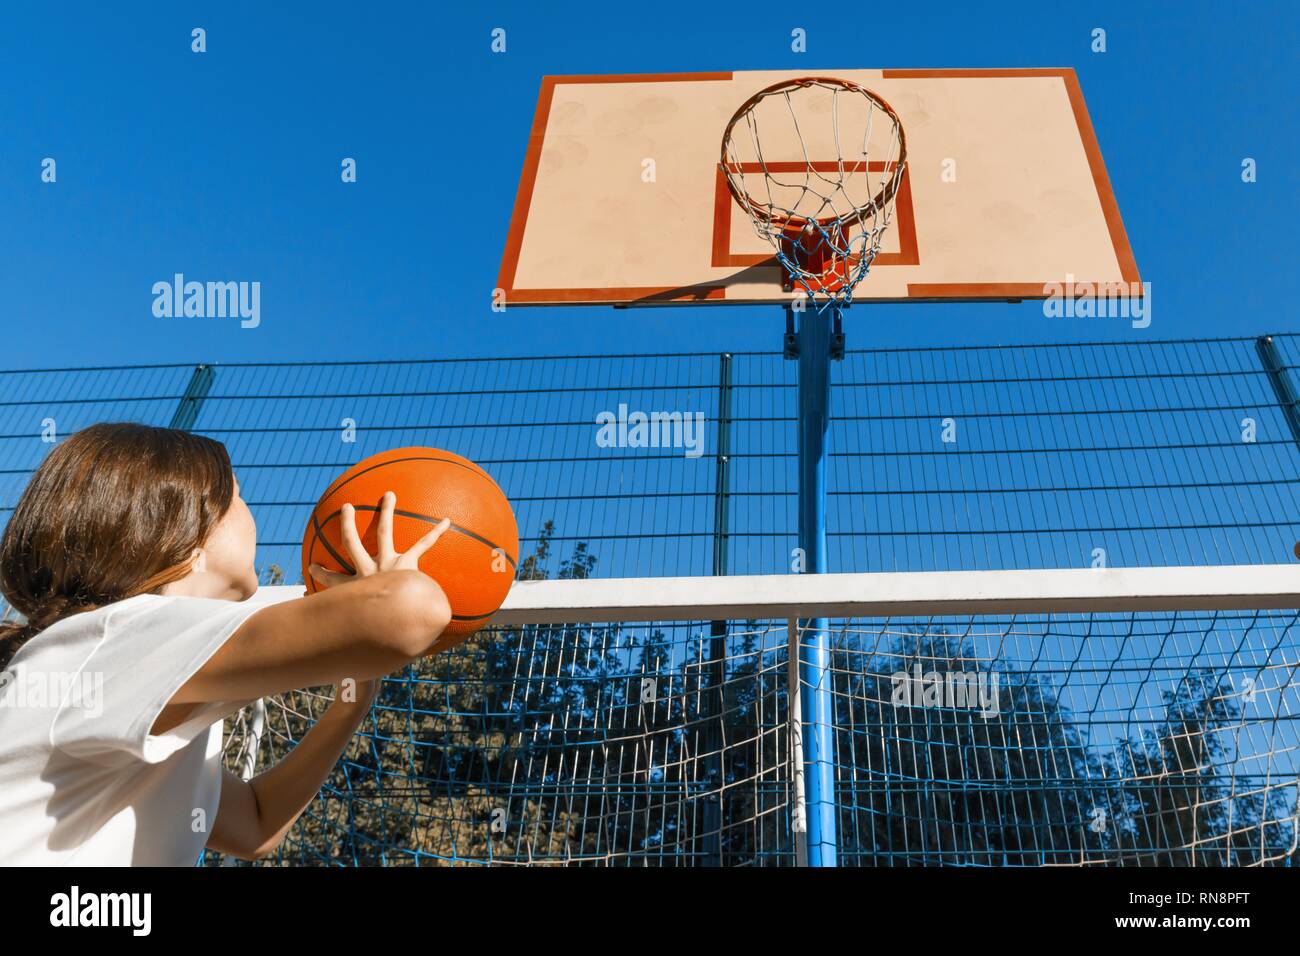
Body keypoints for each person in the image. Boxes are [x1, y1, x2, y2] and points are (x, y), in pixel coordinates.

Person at [0, 422, 451, 865]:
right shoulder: (120, 636)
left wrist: (350, 706)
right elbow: (413, 610)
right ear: (183, 530)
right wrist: (384, 588)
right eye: (237, 494)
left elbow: (254, 824)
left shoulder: (125, 659)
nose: (250, 511)